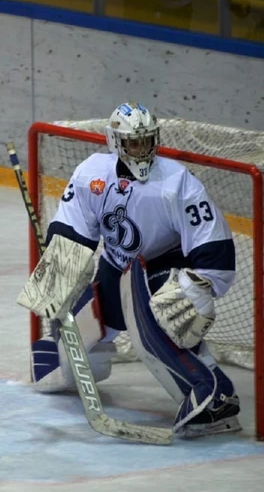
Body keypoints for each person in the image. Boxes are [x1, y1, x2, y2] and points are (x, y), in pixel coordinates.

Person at [23, 102, 240, 439]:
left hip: (162, 268)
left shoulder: (177, 182)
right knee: (65, 351)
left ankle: (214, 396)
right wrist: (58, 282)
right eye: (133, 142)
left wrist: (196, 289)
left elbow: (214, 251)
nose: (142, 149)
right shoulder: (92, 174)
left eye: (147, 141)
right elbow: (70, 233)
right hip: (114, 269)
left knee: (162, 316)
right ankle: (88, 361)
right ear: (115, 142)